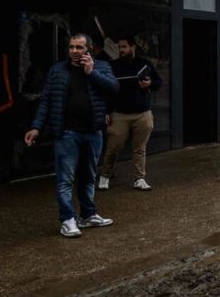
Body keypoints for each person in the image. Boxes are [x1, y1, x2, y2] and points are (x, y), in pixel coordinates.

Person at [24, 33, 119, 238]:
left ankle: (88, 215)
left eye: (79, 47)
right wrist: (36, 127)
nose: (75, 51)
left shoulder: (101, 67)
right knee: (65, 179)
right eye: (71, 47)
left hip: (93, 132)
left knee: (88, 177)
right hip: (67, 133)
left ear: (89, 49)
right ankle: (67, 220)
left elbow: (114, 88)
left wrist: (91, 72)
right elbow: (47, 101)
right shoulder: (58, 71)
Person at [98, 35, 163, 191]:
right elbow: (107, 90)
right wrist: (107, 110)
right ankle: (105, 175)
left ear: (133, 47)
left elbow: (158, 82)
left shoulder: (144, 64)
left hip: (142, 113)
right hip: (119, 113)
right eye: (119, 47)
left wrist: (149, 84)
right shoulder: (113, 66)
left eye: (124, 47)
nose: (121, 50)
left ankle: (139, 179)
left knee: (139, 148)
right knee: (113, 146)